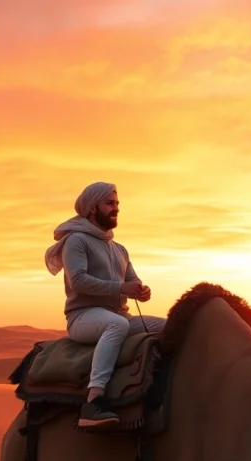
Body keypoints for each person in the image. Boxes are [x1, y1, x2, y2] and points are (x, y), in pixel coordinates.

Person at [43, 181, 167, 428]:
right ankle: (94, 401)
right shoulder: (76, 240)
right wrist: (121, 288)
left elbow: (131, 279)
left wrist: (140, 290)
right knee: (117, 325)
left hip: (119, 315)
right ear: (92, 207)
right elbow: (78, 281)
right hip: (83, 318)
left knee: (169, 326)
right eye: (110, 203)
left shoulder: (119, 248)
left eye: (117, 203)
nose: (116, 208)